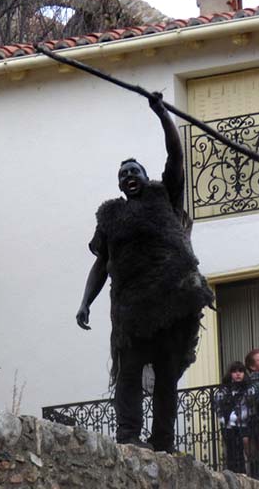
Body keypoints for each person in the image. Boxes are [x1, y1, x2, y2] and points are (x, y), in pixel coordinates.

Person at [74, 93, 214, 453]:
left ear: (146, 177)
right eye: (123, 174)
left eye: (134, 171)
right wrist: (85, 302)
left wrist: (162, 113)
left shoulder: (163, 195)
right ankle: (128, 436)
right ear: (119, 185)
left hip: (169, 298)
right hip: (131, 309)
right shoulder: (110, 217)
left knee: (167, 376)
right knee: (129, 374)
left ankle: (163, 441)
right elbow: (101, 264)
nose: (129, 176)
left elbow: (176, 156)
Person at [216, 361, 251, 473]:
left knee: (241, 448)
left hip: (244, 424)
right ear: (230, 374)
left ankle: (243, 472)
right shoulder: (224, 390)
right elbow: (218, 407)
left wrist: (238, 417)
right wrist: (223, 419)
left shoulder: (248, 389)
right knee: (230, 449)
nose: (238, 374)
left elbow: (250, 407)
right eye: (234, 371)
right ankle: (232, 473)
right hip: (228, 425)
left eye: (240, 371)